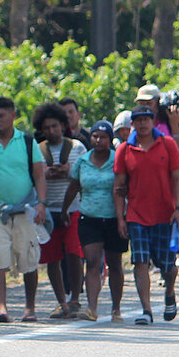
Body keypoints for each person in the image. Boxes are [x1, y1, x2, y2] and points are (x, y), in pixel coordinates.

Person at [0, 97, 46, 323]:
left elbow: (38, 174)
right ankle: (2, 307)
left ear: (13, 115)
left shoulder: (27, 141)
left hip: (24, 210)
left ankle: (29, 307)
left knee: (28, 259)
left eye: (1, 116)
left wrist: (41, 203)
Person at [114, 107, 179, 324]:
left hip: (166, 214)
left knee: (169, 267)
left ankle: (169, 293)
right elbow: (118, 187)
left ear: (153, 122)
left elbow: (178, 179)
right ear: (132, 124)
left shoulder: (167, 144)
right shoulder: (125, 150)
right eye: (138, 120)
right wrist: (120, 217)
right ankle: (146, 310)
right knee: (140, 261)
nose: (143, 124)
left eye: (147, 119)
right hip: (137, 215)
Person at [63, 121, 125, 321]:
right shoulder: (82, 161)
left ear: (110, 139)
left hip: (114, 218)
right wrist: (64, 210)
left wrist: (124, 217)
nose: (98, 141)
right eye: (95, 136)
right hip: (89, 218)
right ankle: (92, 307)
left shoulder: (118, 160)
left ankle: (116, 308)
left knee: (115, 263)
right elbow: (73, 187)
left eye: (103, 137)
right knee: (92, 261)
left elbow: (125, 187)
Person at [32, 102, 85, 319]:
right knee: (52, 257)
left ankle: (75, 299)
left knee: (74, 253)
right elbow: (34, 176)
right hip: (47, 211)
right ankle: (61, 301)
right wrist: (46, 173)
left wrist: (69, 171)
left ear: (63, 125)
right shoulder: (37, 149)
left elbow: (84, 173)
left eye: (55, 126)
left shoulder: (78, 147)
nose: (51, 131)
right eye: (47, 128)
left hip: (73, 209)